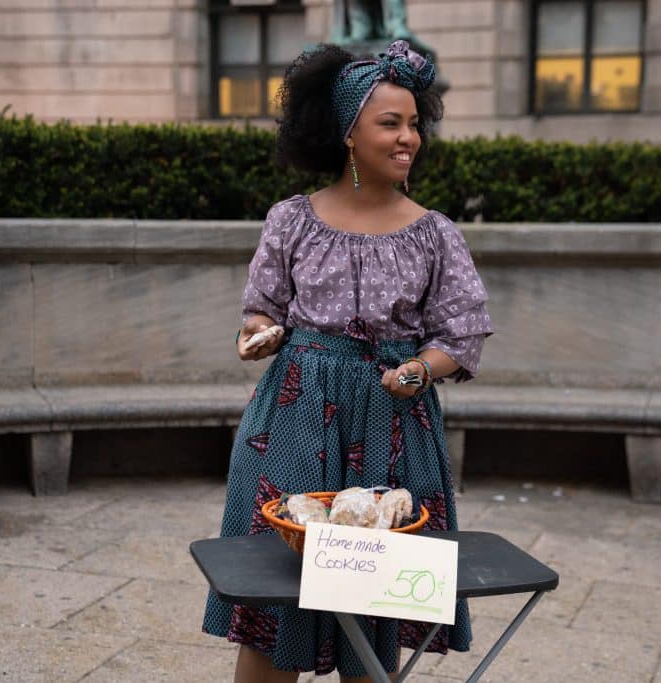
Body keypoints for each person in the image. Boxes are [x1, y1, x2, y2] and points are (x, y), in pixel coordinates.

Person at [201, 39, 493, 683]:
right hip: (294, 422)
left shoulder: (436, 231)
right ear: (346, 134)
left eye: (414, 123)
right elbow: (259, 310)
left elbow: (463, 332)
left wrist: (421, 370)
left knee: (374, 610)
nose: (408, 138)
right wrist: (259, 334)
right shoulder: (289, 221)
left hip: (392, 425)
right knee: (279, 601)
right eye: (390, 123)